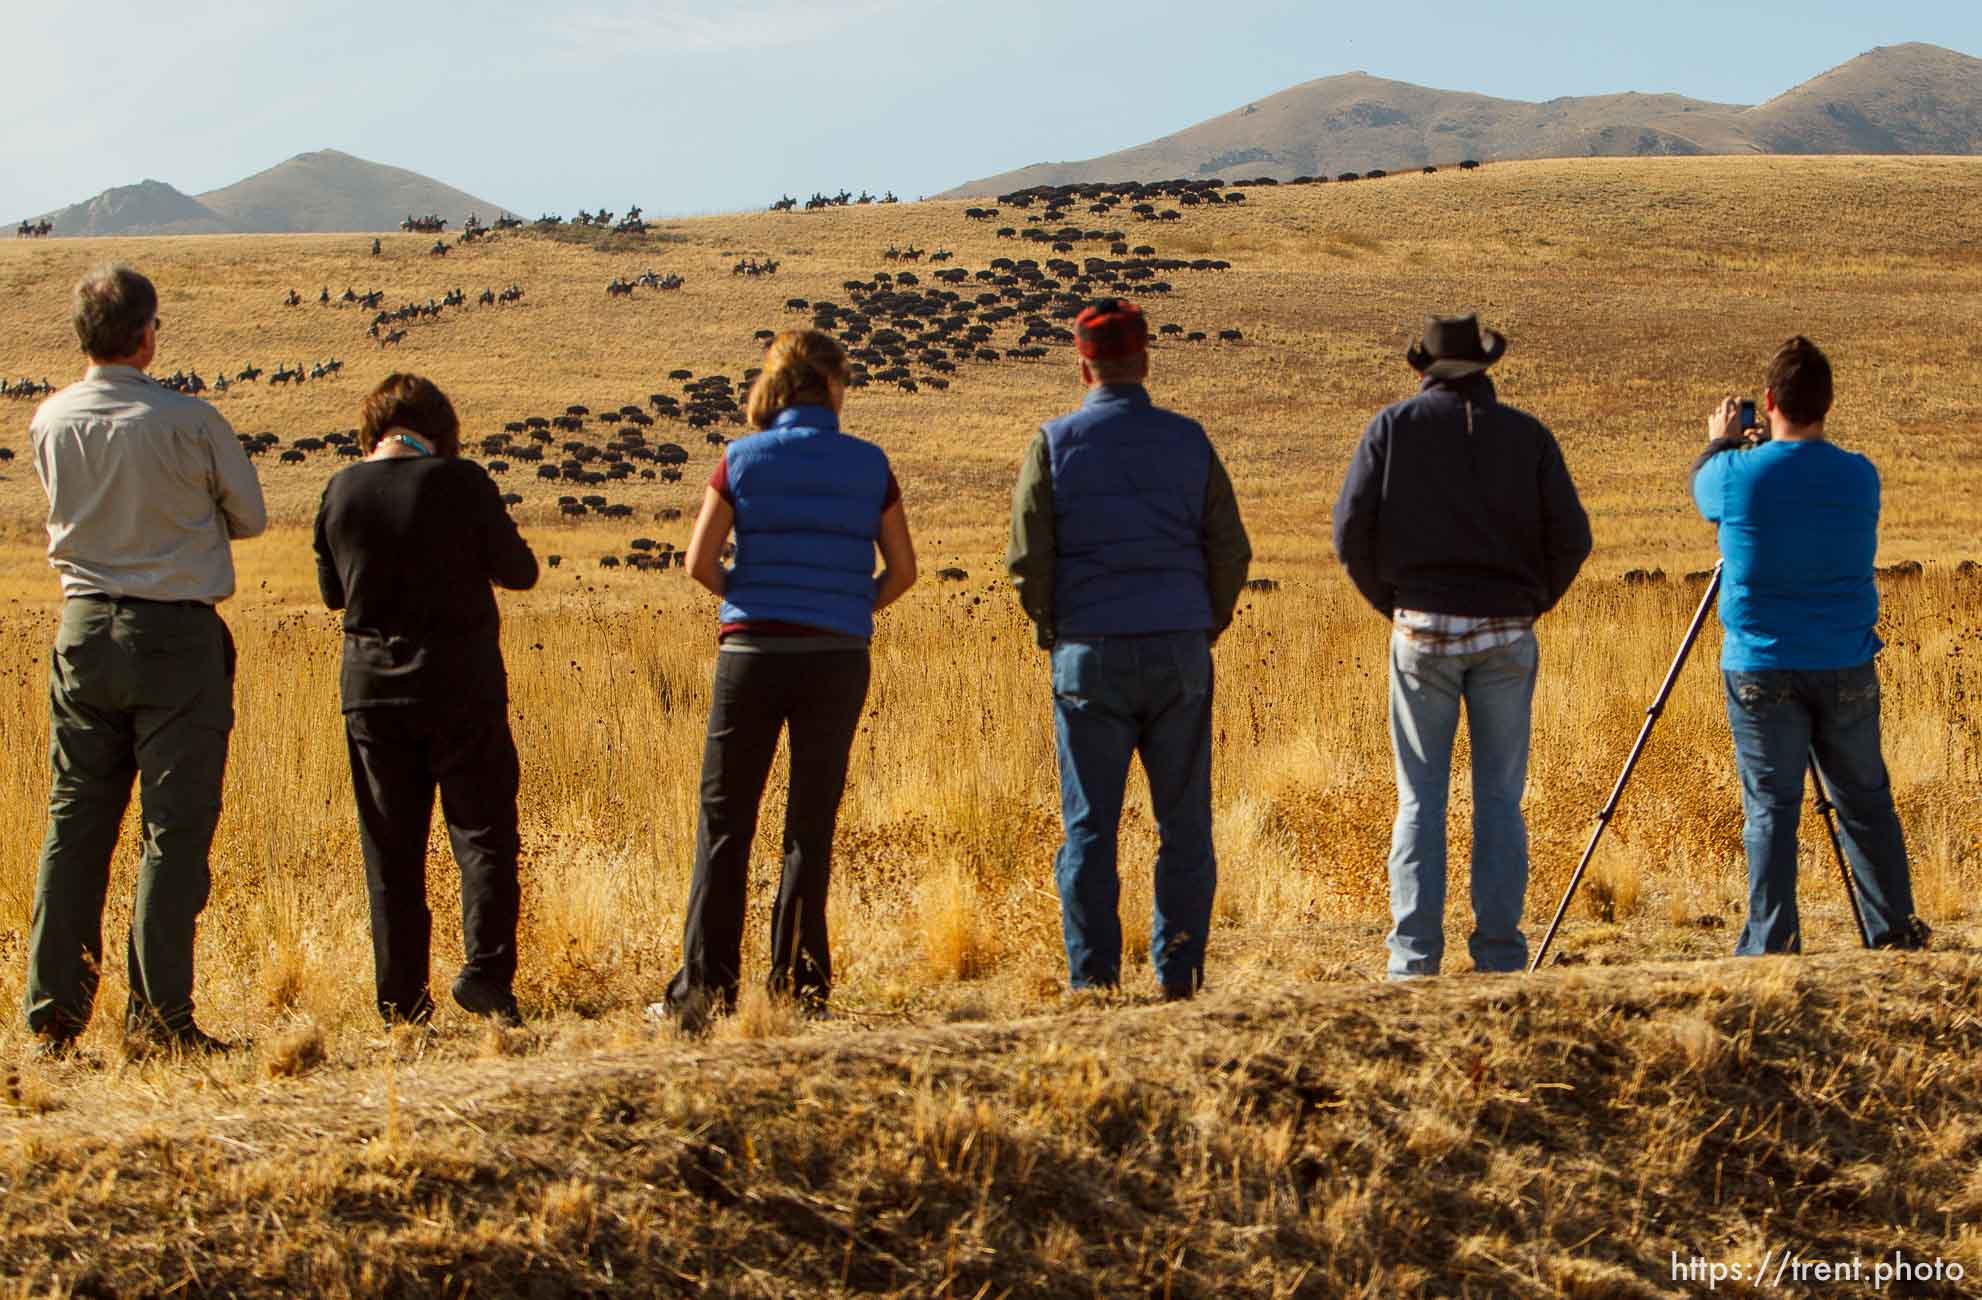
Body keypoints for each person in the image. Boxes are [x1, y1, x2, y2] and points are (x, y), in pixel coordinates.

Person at [24, 264, 267, 1057]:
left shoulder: (49, 420)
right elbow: (251, 517)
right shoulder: (190, 421)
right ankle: (161, 1019)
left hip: (83, 631)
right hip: (174, 637)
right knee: (174, 829)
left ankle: (53, 1014)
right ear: (147, 334)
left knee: (75, 821)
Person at [661, 329, 916, 1023]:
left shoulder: (739, 458)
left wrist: (748, 595)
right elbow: (904, 569)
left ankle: (704, 993)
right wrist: (849, 606)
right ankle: (800, 992)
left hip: (752, 654)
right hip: (836, 657)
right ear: (831, 385)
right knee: (809, 823)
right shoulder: (870, 464)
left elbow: (698, 561)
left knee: (725, 821)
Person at [1333, 313, 1590, 979]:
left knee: (1420, 797)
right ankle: (1501, 954)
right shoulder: (1527, 435)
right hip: (1506, 631)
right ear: (1485, 369)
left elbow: (1349, 531)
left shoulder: (1392, 428)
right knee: (1500, 797)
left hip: (1421, 629)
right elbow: (1572, 537)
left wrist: (1392, 604)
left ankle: (1414, 958)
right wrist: (1532, 602)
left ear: (1422, 370)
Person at [1008, 299, 1251, 1000]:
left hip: (1089, 653)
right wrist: (1204, 623)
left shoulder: (1052, 444)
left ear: (1082, 364)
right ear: (1145, 359)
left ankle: (1095, 980)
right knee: (1185, 821)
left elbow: (1028, 558)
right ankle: (1180, 974)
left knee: (1089, 826)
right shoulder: (1189, 439)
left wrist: (1054, 631)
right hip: (1178, 649)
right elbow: (1229, 548)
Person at [313, 374, 538, 1026]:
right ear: (442, 431)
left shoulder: (340, 491)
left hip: (372, 692)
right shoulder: (461, 482)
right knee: (484, 833)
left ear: (372, 431)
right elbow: (520, 571)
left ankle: (400, 1002)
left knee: (391, 848)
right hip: (460, 683)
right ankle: (486, 975)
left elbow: (334, 593)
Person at [1693, 336, 1928, 955]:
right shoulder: (1858, 475)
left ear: (1767, 401)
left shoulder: (1735, 475)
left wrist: (1724, 438)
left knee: (1771, 807)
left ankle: (1772, 944)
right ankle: (1894, 930)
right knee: (1865, 800)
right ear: (1828, 402)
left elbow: (1706, 493)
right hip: (1845, 658)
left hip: (1762, 664)